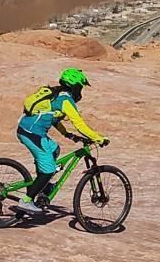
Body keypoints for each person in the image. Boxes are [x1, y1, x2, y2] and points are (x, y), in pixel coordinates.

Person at [13, 68, 109, 214]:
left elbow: (53, 118)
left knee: (54, 149)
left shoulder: (56, 94)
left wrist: (67, 134)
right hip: (32, 134)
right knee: (49, 169)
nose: (80, 91)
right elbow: (80, 125)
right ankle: (26, 201)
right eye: (80, 87)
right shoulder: (66, 101)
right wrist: (98, 138)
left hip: (27, 130)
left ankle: (44, 186)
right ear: (74, 86)